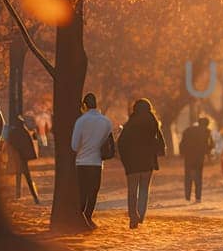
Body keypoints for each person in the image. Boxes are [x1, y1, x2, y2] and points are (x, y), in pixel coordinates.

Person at [117, 98, 164, 227]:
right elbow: (161, 143)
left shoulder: (130, 124)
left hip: (132, 163)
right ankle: (141, 216)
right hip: (147, 162)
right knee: (144, 189)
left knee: (132, 191)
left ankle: (133, 216)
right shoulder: (153, 122)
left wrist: (125, 159)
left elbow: (120, 143)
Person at [70, 92, 112, 229]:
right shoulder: (105, 121)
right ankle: (88, 217)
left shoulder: (81, 121)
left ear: (84, 105)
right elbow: (109, 143)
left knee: (82, 191)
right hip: (97, 163)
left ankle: (80, 217)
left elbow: (74, 145)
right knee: (93, 191)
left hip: (81, 162)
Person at [7, 113, 41, 204]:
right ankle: (34, 197)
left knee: (21, 176)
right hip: (23, 159)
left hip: (17, 158)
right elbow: (29, 145)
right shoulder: (24, 132)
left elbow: (10, 144)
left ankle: (20, 195)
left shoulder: (13, 133)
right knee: (27, 177)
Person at [179, 116, 213, 203]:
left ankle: (187, 197)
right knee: (198, 177)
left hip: (189, 157)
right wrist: (208, 153)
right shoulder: (207, 131)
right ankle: (198, 198)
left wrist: (182, 153)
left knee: (188, 177)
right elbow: (210, 144)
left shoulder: (188, 130)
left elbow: (182, 143)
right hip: (199, 157)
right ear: (207, 124)